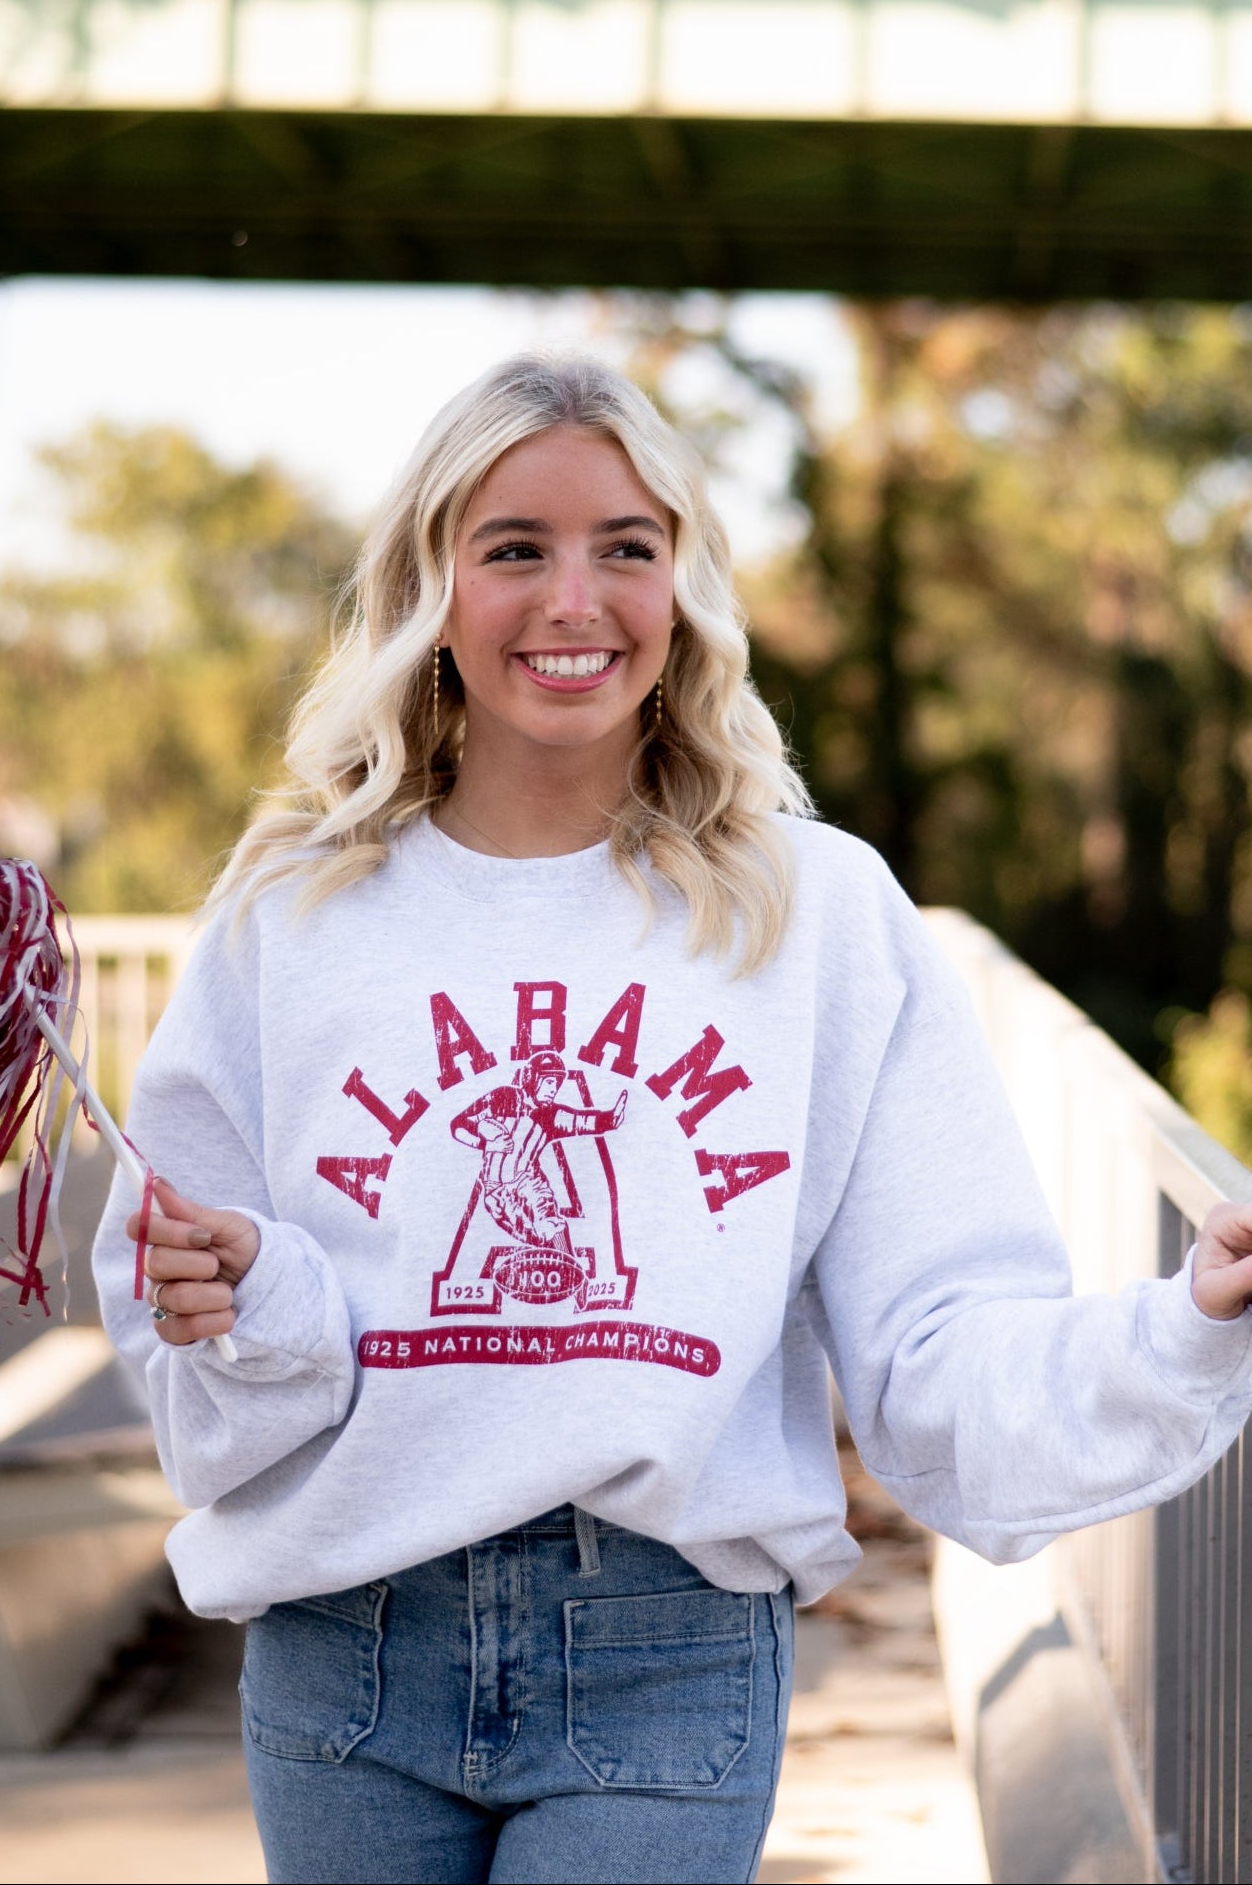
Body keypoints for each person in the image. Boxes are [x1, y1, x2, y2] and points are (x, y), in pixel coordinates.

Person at [93, 353, 1252, 1885]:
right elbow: (195, 1369)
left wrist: (1182, 1328)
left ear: (685, 585)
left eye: (626, 549)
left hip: (665, 1651)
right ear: (432, 589)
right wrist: (249, 1300)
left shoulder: (812, 913)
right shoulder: (294, 914)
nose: (574, 601)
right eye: (515, 549)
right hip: (343, 1649)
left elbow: (939, 1338)